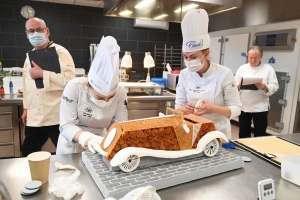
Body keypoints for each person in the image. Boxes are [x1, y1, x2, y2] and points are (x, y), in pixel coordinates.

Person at [175, 9, 242, 139]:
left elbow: (236, 109)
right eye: (185, 57)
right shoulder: (184, 74)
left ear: (206, 54)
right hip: (191, 131)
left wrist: (213, 109)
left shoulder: (224, 73)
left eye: (193, 57)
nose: (188, 61)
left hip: (217, 133)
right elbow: (178, 107)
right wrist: (186, 110)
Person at [56, 36, 128, 154]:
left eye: (111, 97)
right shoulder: (74, 87)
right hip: (72, 146)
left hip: (102, 143)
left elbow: (120, 126)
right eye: (100, 97)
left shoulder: (120, 91)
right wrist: (89, 139)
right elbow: (67, 125)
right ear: (88, 85)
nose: (106, 101)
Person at [21, 17, 75, 157]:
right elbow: (26, 84)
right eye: (31, 31)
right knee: (27, 153)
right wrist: (26, 109)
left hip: (55, 115)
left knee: (65, 154)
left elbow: (70, 80)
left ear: (47, 31)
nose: (35, 34)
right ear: (27, 34)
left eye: (39, 30)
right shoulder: (29, 55)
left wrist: (42, 73)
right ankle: (34, 178)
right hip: (35, 117)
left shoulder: (60, 52)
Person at [235, 46, 279, 138]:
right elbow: (234, 84)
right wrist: (237, 85)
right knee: (243, 131)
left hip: (260, 107)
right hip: (244, 106)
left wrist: (264, 86)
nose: (252, 60)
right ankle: (243, 150)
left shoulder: (268, 68)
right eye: (250, 57)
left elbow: (275, 85)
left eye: (255, 58)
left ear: (261, 57)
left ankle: (258, 151)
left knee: (260, 133)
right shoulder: (242, 68)